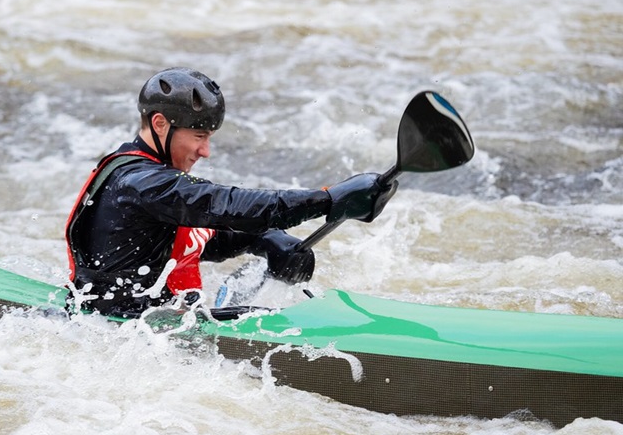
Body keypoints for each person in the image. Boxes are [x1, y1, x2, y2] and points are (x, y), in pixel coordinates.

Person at [65, 67, 397, 316]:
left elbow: (191, 241)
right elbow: (227, 204)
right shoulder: (143, 183)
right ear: (160, 124)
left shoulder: (149, 179)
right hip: (121, 332)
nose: (205, 151)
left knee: (250, 281)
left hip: (153, 320)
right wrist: (327, 200)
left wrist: (262, 239)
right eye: (198, 136)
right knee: (259, 314)